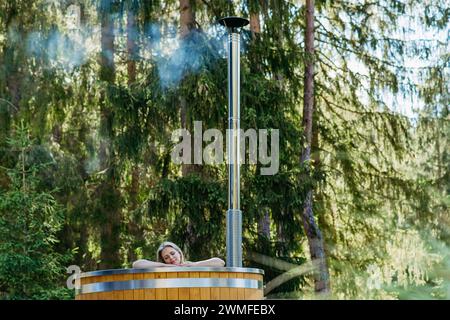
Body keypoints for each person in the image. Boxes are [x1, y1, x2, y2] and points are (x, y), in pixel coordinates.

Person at [132, 241, 225, 268]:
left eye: (172, 253)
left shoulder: (190, 265)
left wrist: (194, 264)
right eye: (166, 257)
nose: (171, 258)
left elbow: (220, 263)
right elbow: (136, 264)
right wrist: (164, 266)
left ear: (179, 253)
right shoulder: (163, 268)